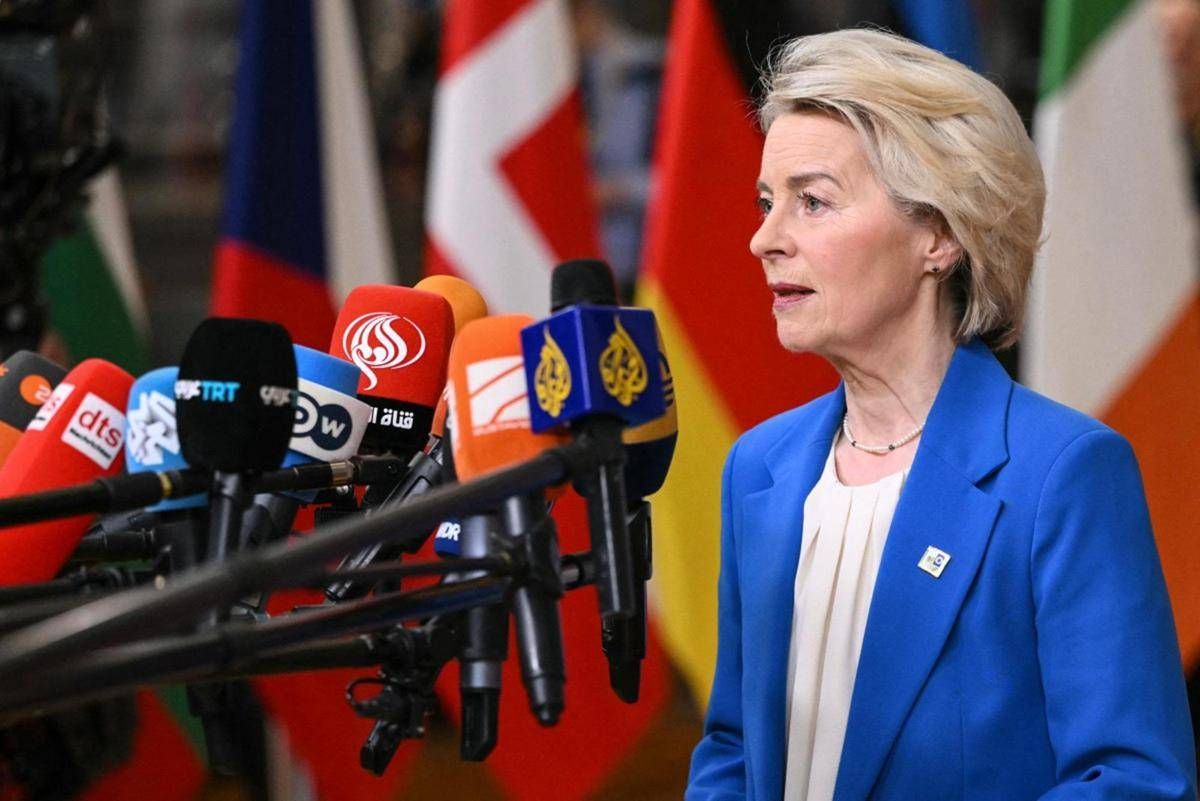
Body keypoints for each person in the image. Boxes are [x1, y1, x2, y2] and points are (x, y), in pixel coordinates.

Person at [685, 28, 1196, 801]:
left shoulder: (1060, 472)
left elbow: (1133, 780)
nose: (764, 239)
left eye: (812, 201)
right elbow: (732, 749)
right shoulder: (759, 467)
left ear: (939, 235)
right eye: (767, 202)